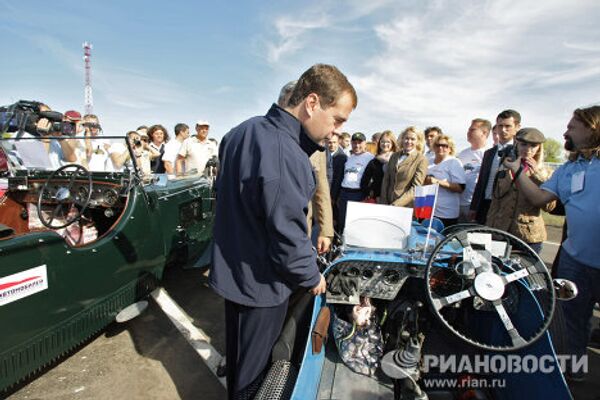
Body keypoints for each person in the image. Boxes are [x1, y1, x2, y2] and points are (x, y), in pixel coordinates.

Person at [210, 64, 356, 399]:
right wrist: (310, 276)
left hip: (235, 271)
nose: (336, 131)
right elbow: (286, 232)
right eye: (337, 119)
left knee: (237, 359)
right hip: (262, 282)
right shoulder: (285, 152)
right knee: (254, 378)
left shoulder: (240, 132)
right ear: (312, 103)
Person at [503, 106, 600, 380]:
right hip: (574, 260)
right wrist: (516, 171)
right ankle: (573, 372)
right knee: (571, 320)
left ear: (593, 128)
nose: (566, 131)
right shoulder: (568, 169)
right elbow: (538, 199)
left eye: (572, 127)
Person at [278, 79, 333, 254]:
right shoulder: (267, 139)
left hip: (301, 230)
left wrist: (326, 231)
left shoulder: (317, 148)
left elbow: (322, 190)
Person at [486, 128, 554, 254]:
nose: (528, 149)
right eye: (524, 144)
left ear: (539, 148)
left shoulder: (546, 172)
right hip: (501, 232)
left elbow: (549, 206)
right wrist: (489, 228)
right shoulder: (504, 168)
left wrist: (537, 176)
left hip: (528, 235)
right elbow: (496, 202)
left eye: (533, 146)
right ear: (516, 144)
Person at [469, 109, 521, 224]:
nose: (503, 130)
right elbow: (481, 181)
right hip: (485, 205)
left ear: (517, 127)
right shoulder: (489, 153)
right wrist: (474, 206)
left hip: (506, 208)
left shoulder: (519, 153)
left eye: (508, 126)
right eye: (500, 126)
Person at [381, 126, 428, 207]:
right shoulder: (394, 156)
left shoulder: (421, 159)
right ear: (402, 139)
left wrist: (396, 204)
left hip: (405, 206)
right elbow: (386, 180)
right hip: (387, 203)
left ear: (418, 141)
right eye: (406, 138)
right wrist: (384, 201)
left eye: (412, 139)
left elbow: (415, 188)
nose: (409, 141)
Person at [424, 134, 466, 227]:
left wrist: (437, 182)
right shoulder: (428, 161)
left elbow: (460, 188)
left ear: (450, 148)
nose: (441, 148)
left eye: (445, 146)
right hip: (427, 209)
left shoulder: (454, 162)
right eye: (438, 145)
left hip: (446, 213)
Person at [337, 132, 374, 233]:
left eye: (359, 143)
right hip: (344, 193)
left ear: (365, 144)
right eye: (354, 143)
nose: (357, 145)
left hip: (358, 194)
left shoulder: (370, 158)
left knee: (355, 224)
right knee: (342, 223)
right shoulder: (349, 157)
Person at [457, 118, 491, 221]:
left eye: (472, 130)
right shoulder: (462, 154)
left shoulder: (489, 154)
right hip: (458, 204)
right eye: (468, 129)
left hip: (475, 206)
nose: (468, 132)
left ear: (484, 133)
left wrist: (475, 206)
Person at [361, 130, 397, 202]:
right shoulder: (374, 161)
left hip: (394, 198)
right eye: (382, 141)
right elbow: (364, 181)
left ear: (392, 143)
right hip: (377, 198)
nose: (385, 144)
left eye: (388, 142)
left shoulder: (398, 159)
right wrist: (371, 192)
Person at [328, 132, 347, 229]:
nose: (331, 145)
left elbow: (338, 178)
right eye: (330, 142)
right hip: (323, 192)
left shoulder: (342, 157)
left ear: (338, 142)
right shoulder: (323, 153)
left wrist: (333, 197)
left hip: (334, 195)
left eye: (334, 142)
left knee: (334, 220)